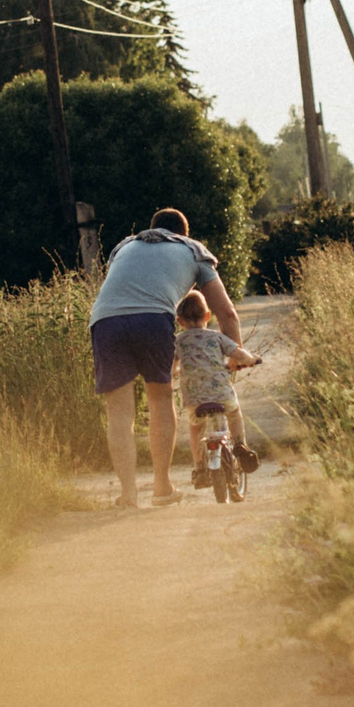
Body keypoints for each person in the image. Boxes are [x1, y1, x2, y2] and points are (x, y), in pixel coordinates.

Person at [87, 207, 242, 507]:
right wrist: (233, 359)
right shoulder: (193, 250)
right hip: (152, 319)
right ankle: (162, 488)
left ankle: (128, 494)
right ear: (183, 233)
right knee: (159, 399)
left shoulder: (125, 246)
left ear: (152, 229)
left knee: (119, 413)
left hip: (105, 321)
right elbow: (227, 313)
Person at [173, 292, 261, 486]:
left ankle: (199, 468)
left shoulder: (178, 342)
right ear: (207, 316)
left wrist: (177, 372)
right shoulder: (217, 338)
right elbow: (238, 354)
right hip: (222, 395)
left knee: (196, 429)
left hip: (195, 400)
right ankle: (240, 445)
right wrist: (251, 359)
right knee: (235, 412)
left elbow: (171, 369)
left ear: (180, 321)